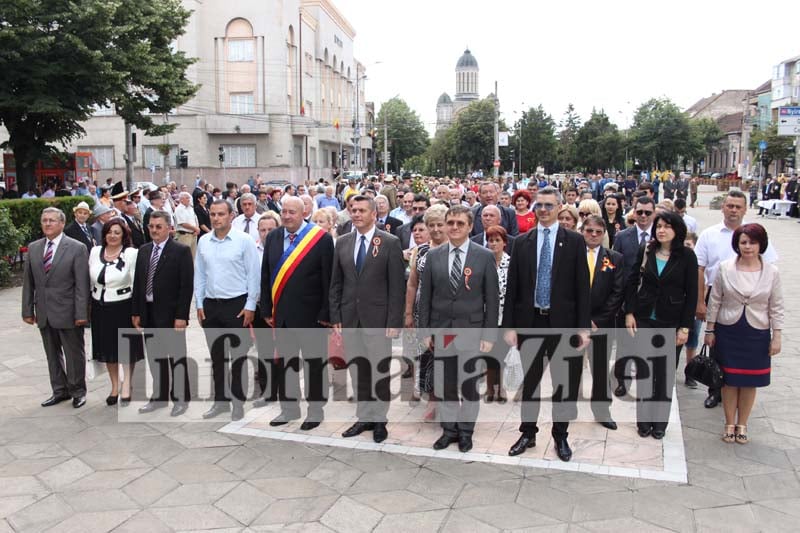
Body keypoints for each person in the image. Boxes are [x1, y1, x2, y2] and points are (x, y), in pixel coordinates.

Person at [502, 186, 591, 461]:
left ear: (559, 207)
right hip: (531, 322)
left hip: (563, 323)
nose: (542, 210)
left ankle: (560, 435)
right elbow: (513, 287)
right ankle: (528, 432)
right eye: (539, 205)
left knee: (564, 383)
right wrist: (509, 326)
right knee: (530, 383)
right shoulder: (521, 242)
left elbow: (581, 288)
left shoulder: (574, 241)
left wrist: (583, 327)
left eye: (549, 205)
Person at [418, 205, 499, 453]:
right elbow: (426, 298)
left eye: (459, 224)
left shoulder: (483, 256)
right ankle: (449, 430)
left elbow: (492, 299)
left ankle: (465, 432)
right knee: (445, 385)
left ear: (469, 226)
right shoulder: (433, 256)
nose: (454, 227)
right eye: (450, 222)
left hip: (472, 332)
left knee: (469, 386)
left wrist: (488, 335)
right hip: (442, 332)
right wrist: (425, 332)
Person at [330, 195, 405, 443]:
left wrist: (394, 322)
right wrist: (336, 316)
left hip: (378, 320)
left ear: (374, 214)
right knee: (358, 371)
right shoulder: (342, 243)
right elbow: (336, 283)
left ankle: (380, 420)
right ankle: (364, 417)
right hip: (350, 318)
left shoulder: (389, 242)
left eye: (362, 210)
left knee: (378, 371)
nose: (356, 214)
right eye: (353, 210)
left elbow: (397, 287)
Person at [695, 190, 778, 408]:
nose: (733, 210)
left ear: (745, 209)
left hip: (751, 296)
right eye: (729, 205)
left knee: (744, 357)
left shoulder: (755, 234)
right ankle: (715, 390)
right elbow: (700, 268)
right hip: (717, 292)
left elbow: (770, 270)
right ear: (723, 207)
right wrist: (700, 301)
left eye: (738, 206)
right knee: (717, 350)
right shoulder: (709, 234)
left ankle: (741, 392)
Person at [260, 196, 334, 429]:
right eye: (284, 211)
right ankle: (289, 409)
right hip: (281, 315)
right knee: (286, 365)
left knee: (314, 365)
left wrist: (326, 314)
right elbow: (265, 274)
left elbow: (328, 279)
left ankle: (315, 410)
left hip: (312, 316)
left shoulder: (320, 239)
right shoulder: (273, 237)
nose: (287, 216)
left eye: (292, 212)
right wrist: (266, 308)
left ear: (303, 213)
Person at [706, 224, 783, 445]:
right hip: (728, 328)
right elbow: (715, 300)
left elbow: (776, 306)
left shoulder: (771, 272)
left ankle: (743, 424)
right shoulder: (725, 267)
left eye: (753, 242)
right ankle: (729, 422)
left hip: (756, 331)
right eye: (743, 242)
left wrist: (776, 336)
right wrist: (710, 330)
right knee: (729, 380)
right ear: (737, 244)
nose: (748, 246)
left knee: (750, 381)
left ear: (761, 245)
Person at [625, 211, 698, 440]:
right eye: (659, 226)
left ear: (677, 230)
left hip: (671, 320)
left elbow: (691, 294)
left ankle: (659, 423)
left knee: (664, 374)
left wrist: (685, 327)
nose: (661, 230)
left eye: (666, 226)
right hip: (645, 317)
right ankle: (643, 421)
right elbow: (632, 280)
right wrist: (629, 312)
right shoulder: (647, 250)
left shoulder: (686, 256)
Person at [195, 200, 261, 421]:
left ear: (231, 216)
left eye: (220, 214)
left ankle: (238, 402)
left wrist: (251, 305)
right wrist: (199, 304)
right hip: (211, 306)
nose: (215, 218)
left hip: (237, 305)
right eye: (212, 214)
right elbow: (200, 275)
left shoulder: (244, 241)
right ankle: (220, 402)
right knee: (217, 358)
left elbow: (254, 275)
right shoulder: (204, 241)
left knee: (238, 357)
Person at [22, 207, 90, 409]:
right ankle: (59, 390)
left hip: (69, 311)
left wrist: (81, 313)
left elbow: (82, 284)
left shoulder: (76, 248)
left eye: (52, 220)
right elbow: (29, 282)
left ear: (62, 223)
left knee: (73, 354)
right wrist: (27, 310)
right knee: (52, 354)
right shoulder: (34, 248)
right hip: (44, 311)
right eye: (44, 220)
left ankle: (78, 390)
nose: (48, 224)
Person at [132, 211, 194, 417]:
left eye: (158, 226)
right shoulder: (143, 250)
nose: (154, 230)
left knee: (176, 358)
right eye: (151, 226)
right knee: (155, 358)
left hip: (171, 315)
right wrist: (137, 311)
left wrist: (181, 316)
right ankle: (159, 398)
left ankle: (181, 399)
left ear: (169, 228)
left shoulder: (180, 251)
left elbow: (186, 287)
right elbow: (139, 283)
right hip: (149, 313)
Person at [88, 218, 142, 406]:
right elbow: (90, 280)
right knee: (107, 349)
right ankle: (113, 386)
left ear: (124, 235)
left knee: (125, 349)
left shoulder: (131, 254)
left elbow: (136, 284)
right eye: (109, 232)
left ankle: (127, 384)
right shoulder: (95, 252)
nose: (112, 236)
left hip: (123, 306)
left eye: (117, 232)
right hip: (100, 307)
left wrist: (137, 311)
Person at [404, 206, 448, 419]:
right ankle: (432, 398)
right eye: (432, 225)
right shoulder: (420, 251)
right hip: (423, 314)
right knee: (427, 356)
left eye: (441, 224)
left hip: (448, 314)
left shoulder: (456, 249)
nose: (436, 229)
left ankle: (448, 398)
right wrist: (408, 313)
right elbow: (412, 284)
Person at [582, 215, 624, 429]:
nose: (594, 235)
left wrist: (597, 321)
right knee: (568, 368)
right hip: (575, 323)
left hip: (602, 324)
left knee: (599, 370)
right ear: (583, 231)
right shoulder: (571, 255)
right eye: (589, 231)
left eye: (598, 232)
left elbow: (617, 293)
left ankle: (601, 410)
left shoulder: (614, 258)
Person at [484, 224, 510, 404]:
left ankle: (501, 387)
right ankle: (488, 388)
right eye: (490, 240)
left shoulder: (511, 263)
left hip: (504, 315)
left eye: (497, 240)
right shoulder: (483, 261)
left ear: (504, 243)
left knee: (501, 354)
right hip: (486, 315)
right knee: (488, 354)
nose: (493, 244)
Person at [174, 192, 200, 258]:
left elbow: (195, 219)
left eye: (189, 198)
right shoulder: (179, 209)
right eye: (187, 198)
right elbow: (183, 223)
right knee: (184, 256)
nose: (189, 199)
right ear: (181, 199)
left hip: (193, 234)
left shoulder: (190, 208)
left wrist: (197, 229)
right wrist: (195, 229)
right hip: (184, 235)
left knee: (193, 256)